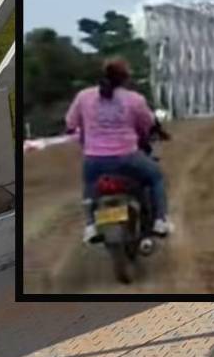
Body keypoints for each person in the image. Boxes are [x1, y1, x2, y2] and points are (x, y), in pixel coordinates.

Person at [65, 57, 174, 244]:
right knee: (156, 177)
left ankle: (90, 226)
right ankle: (160, 221)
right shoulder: (134, 99)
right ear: (125, 78)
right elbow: (148, 125)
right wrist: (157, 133)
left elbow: (70, 123)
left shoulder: (84, 97)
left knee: (90, 186)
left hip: (94, 159)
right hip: (127, 157)